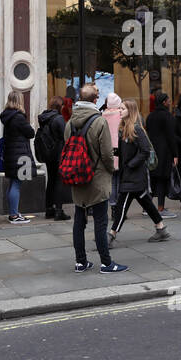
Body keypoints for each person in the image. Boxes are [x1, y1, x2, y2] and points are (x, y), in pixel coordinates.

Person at [65, 83, 127, 274]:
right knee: (100, 222)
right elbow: (107, 154)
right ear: (94, 100)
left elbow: (67, 147)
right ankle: (107, 263)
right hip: (97, 177)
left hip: (77, 176)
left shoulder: (70, 122)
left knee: (79, 221)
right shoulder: (99, 122)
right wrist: (110, 170)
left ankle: (80, 262)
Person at [109, 98, 172, 245]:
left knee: (121, 206)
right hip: (129, 174)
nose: (119, 111)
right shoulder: (123, 129)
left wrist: (131, 164)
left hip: (135, 175)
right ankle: (161, 228)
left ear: (130, 112)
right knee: (146, 203)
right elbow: (125, 151)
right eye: (119, 108)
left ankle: (111, 235)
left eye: (122, 109)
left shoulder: (136, 129)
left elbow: (145, 150)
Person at [0, 92, 35, 225]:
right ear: (19, 101)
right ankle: (14, 215)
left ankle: (13, 212)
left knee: (13, 183)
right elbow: (30, 133)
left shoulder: (7, 116)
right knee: (17, 184)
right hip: (20, 154)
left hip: (11, 153)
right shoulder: (18, 117)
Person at [144, 92, 178, 218]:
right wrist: (175, 154)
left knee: (152, 179)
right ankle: (160, 208)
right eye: (168, 100)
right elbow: (171, 137)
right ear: (164, 102)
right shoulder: (167, 116)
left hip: (152, 151)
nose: (170, 102)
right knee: (162, 179)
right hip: (164, 152)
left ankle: (147, 206)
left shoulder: (150, 116)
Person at [36, 96, 70, 221]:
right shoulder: (59, 119)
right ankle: (59, 211)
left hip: (48, 154)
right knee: (58, 181)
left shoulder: (44, 117)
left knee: (50, 181)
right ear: (59, 106)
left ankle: (49, 209)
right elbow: (66, 135)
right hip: (58, 154)